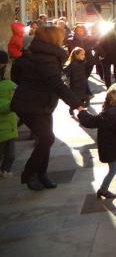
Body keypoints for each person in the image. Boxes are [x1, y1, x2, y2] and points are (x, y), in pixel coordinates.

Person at [10, 26, 83, 190]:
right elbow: (57, 84)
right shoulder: (44, 58)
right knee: (47, 138)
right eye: (61, 36)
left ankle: (42, 174)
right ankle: (29, 174)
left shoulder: (47, 55)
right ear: (53, 39)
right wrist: (77, 104)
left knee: (46, 140)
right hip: (29, 105)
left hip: (42, 104)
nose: (63, 39)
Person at [0, 51, 17, 177]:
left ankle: (4, 170)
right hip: (5, 128)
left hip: (10, 127)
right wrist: (12, 105)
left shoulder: (9, 85)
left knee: (10, 154)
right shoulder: (9, 85)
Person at [97, 20, 116, 89]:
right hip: (107, 56)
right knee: (113, 74)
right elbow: (99, 44)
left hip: (111, 57)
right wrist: (102, 54)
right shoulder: (110, 33)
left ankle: (111, 88)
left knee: (112, 74)